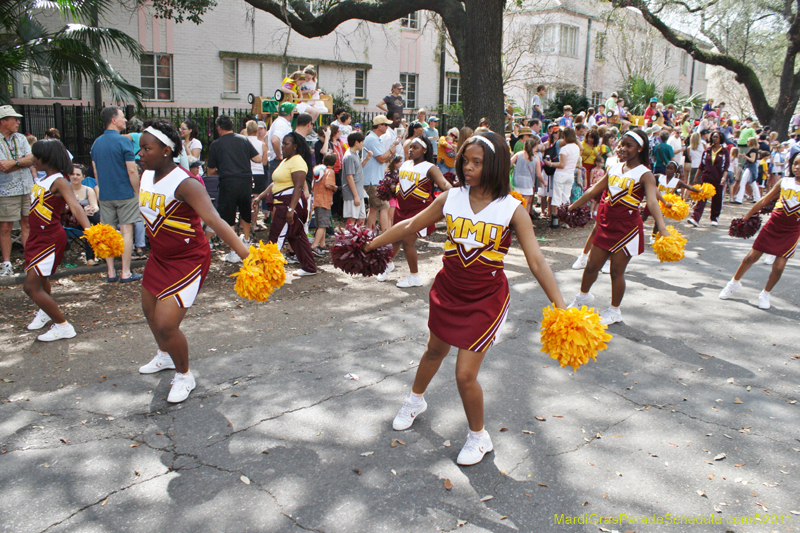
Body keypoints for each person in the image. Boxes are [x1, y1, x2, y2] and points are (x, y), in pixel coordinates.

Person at [365, 131, 567, 466]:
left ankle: (479, 437)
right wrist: (370, 245)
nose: (468, 168)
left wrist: (562, 307)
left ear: (496, 166)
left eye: (477, 162)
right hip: (448, 290)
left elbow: (537, 261)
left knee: (464, 375)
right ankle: (415, 399)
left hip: (485, 299)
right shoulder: (451, 198)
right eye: (465, 161)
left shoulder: (512, 209)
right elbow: (411, 224)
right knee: (434, 349)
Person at [134, 119, 250, 403]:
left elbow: (216, 220)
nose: (141, 154)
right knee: (149, 311)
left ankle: (185, 375)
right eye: (140, 149)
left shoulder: (185, 182)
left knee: (165, 323)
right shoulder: (147, 175)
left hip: (188, 259)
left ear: (165, 149)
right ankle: (165, 356)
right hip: (160, 256)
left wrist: (249, 256)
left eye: (146, 148)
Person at [566, 129, 670, 325]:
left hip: (628, 229)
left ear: (640, 149)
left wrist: (662, 227)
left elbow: (652, 202)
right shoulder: (613, 168)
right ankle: (583, 296)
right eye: (622, 144)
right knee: (591, 266)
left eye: (629, 146)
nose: (623, 148)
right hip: (606, 224)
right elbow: (593, 190)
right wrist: (571, 207)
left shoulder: (645, 174)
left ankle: (614, 311)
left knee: (616, 272)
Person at [24, 139, 92, 341]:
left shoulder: (60, 181)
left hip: (49, 238)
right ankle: (45, 310)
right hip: (37, 237)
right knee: (41, 278)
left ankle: (63, 326)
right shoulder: (45, 179)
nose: (33, 159)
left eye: (36, 156)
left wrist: (90, 232)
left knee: (31, 287)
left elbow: (76, 206)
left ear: (48, 157)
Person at [719, 152, 800, 310]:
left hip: (792, 230)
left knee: (779, 267)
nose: (797, 167)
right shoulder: (784, 181)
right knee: (751, 257)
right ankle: (733, 283)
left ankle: (765, 293)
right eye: (795, 163)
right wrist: (746, 217)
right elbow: (764, 200)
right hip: (773, 225)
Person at [377, 136, 451, 287]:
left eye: (415, 147)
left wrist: (456, 192)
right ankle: (389, 264)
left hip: (419, 211)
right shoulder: (405, 164)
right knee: (396, 238)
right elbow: (401, 184)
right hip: (402, 209)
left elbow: (443, 183)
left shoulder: (430, 167)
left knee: (407, 241)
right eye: (410, 147)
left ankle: (414, 276)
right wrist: (391, 188)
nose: (411, 150)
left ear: (424, 150)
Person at [252, 132, 317, 276]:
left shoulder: (298, 161)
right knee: (297, 236)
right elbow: (276, 183)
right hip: (284, 203)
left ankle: (265, 271)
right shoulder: (286, 161)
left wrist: (290, 209)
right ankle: (309, 267)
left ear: (295, 146)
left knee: (276, 237)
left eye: (286, 144)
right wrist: (260, 197)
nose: (282, 146)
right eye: (282, 143)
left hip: (290, 205)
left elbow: (299, 187)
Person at [91, 105, 143, 283]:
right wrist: (136, 190)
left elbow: (96, 171)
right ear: (113, 120)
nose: (125, 120)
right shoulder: (123, 142)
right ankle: (126, 272)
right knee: (127, 231)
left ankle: (111, 272)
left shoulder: (96, 143)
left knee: (107, 232)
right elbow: (132, 170)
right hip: (125, 192)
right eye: (122, 117)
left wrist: (101, 188)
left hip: (106, 194)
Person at [206, 114, 262, 262]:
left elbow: (210, 171)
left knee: (229, 216)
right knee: (245, 211)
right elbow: (258, 158)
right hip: (245, 180)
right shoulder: (243, 140)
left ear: (219, 128)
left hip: (228, 181)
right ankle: (247, 239)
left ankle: (233, 251)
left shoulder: (216, 145)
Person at [0, 105, 34, 277]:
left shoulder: (21, 138)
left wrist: (14, 163)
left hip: (26, 187)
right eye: (14, 119)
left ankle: (29, 261)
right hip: (5, 190)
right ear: (3, 121)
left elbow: (32, 158)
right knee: (5, 226)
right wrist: (21, 161)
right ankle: (6, 263)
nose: (18, 122)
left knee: (27, 224)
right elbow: (1, 166)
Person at [363, 115, 398, 232]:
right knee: (384, 206)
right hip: (372, 180)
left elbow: (384, 159)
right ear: (380, 126)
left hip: (374, 179)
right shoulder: (372, 139)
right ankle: (385, 234)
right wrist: (392, 147)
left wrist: (391, 154)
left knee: (373, 208)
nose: (387, 127)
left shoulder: (375, 139)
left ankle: (369, 233)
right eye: (386, 125)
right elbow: (381, 158)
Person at [688, 131, 729, 227]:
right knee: (702, 196)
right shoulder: (707, 151)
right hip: (706, 177)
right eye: (713, 137)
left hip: (718, 178)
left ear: (720, 139)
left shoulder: (724, 152)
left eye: (716, 137)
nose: (714, 138)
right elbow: (701, 165)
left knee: (717, 198)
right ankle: (695, 218)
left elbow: (726, 166)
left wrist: (724, 177)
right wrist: (696, 176)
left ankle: (714, 218)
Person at [544, 127, 581, 228]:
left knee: (557, 197)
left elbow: (562, 164)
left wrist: (550, 164)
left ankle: (555, 220)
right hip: (570, 174)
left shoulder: (564, 149)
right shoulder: (576, 148)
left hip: (561, 174)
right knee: (566, 198)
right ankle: (566, 221)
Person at [64, 164, 100, 265]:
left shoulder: (88, 190)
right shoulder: (65, 190)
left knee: (91, 226)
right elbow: (64, 210)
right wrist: (82, 212)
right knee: (93, 224)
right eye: (72, 174)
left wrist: (89, 210)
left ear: (83, 177)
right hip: (71, 222)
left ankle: (90, 259)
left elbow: (96, 206)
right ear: (69, 176)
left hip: (88, 221)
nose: (75, 176)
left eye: (78, 174)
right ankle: (109, 227)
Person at [337, 131, 369, 226]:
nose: (363, 144)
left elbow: (358, 169)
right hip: (352, 194)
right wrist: (355, 196)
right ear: (356, 142)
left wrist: (366, 159)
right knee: (352, 219)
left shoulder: (354, 154)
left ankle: (357, 238)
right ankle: (349, 239)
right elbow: (349, 176)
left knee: (361, 217)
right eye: (362, 142)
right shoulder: (349, 156)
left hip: (359, 192)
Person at [310, 153, 337, 255]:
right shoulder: (330, 172)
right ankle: (314, 245)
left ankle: (322, 244)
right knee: (323, 225)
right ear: (334, 163)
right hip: (324, 201)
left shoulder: (319, 171)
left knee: (322, 224)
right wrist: (335, 187)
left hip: (317, 200)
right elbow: (328, 184)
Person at [245, 120, 268, 233]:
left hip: (246, 172)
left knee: (245, 198)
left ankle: (242, 223)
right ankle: (253, 224)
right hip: (258, 173)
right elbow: (264, 162)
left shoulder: (243, 142)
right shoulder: (262, 145)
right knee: (255, 200)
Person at [266, 102, 296, 187]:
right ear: (290, 113)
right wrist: (280, 155)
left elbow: (266, 138)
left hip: (274, 161)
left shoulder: (277, 122)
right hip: (278, 161)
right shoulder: (282, 124)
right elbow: (274, 140)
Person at [510, 137, 538, 215]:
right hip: (528, 183)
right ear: (534, 147)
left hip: (517, 181)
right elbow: (538, 173)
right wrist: (543, 182)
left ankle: (516, 219)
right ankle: (525, 219)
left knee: (517, 202)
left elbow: (509, 163)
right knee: (527, 203)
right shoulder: (535, 157)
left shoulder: (518, 154)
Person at [734, 137, 761, 204]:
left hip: (750, 168)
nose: (747, 142)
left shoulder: (753, 150)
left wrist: (745, 156)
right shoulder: (752, 149)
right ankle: (757, 198)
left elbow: (753, 159)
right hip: (750, 167)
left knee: (743, 182)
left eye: (748, 141)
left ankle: (739, 199)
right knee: (752, 183)